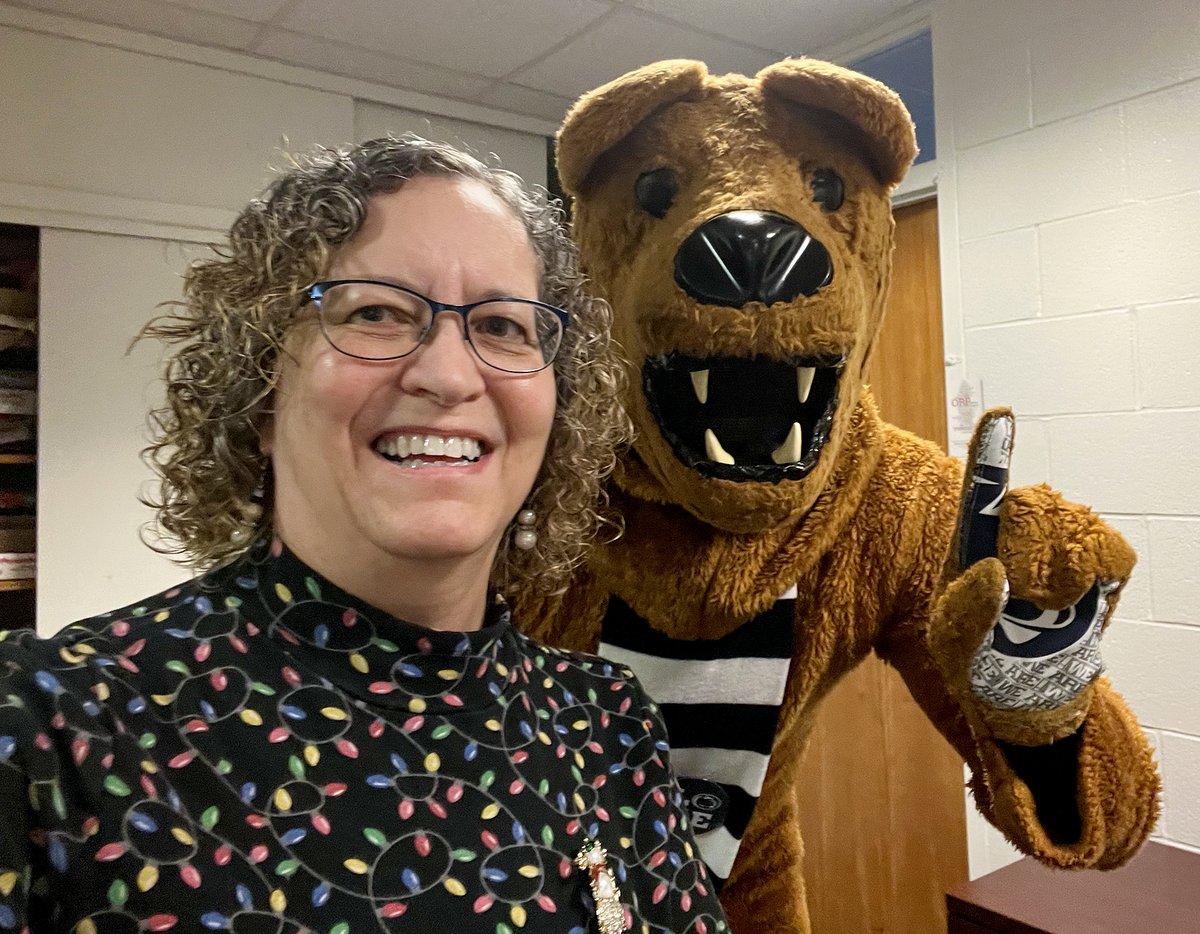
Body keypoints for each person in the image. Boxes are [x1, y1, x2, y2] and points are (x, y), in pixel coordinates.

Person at [0, 137, 728, 934]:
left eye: (502, 325)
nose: (450, 377)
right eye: (375, 312)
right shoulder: (50, 726)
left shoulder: (606, 723)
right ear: (259, 390)